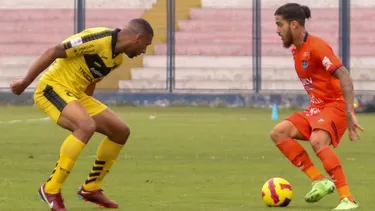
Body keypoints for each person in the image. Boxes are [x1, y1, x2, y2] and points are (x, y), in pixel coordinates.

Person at [10, 18, 154, 211]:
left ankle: (90, 188)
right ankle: (50, 188)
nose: (144, 51)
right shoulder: (98, 39)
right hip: (53, 88)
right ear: (138, 38)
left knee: (120, 131)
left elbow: (91, 80)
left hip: (76, 95)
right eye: (146, 45)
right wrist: (24, 82)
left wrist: (82, 108)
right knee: (85, 126)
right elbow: (54, 51)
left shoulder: (116, 59)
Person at [270, 3, 363, 210]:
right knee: (279, 133)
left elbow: (345, 75)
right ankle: (319, 180)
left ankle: (347, 199)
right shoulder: (296, 50)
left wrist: (349, 112)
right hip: (317, 107)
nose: (277, 30)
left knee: (317, 140)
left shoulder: (317, 46)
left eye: (280, 24)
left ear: (294, 25)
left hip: (335, 105)